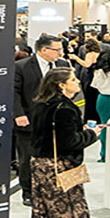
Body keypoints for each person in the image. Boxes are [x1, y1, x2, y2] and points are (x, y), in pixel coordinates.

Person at [23, 67, 106, 218]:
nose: (77, 82)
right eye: (73, 79)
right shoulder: (65, 109)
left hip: (40, 164)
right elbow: (70, 141)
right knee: (70, 212)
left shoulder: (41, 104)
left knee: (43, 212)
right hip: (60, 165)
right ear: (61, 85)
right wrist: (91, 134)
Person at [14, 34, 72, 205]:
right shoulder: (22, 66)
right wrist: (18, 114)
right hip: (29, 121)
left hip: (56, 121)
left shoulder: (62, 65)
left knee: (55, 156)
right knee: (27, 159)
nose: (60, 53)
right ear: (44, 50)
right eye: (57, 50)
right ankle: (28, 192)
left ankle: (52, 188)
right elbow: (14, 92)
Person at [70, 38, 102, 123]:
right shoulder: (99, 53)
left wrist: (76, 58)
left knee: (89, 99)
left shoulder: (90, 54)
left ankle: (90, 118)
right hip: (97, 77)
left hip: (90, 77)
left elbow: (86, 64)